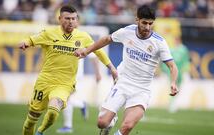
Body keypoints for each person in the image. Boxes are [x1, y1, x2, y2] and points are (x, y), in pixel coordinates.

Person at [74, 5, 179, 135]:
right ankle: (110, 122)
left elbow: (172, 66)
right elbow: (107, 39)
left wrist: (173, 82)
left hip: (141, 90)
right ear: (137, 20)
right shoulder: (127, 32)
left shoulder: (159, 42)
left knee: (127, 126)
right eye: (144, 22)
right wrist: (86, 50)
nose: (147, 27)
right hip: (122, 83)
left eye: (150, 23)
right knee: (102, 123)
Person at [19, 5, 117, 135]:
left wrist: (111, 68)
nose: (71, 21)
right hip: (45, 81)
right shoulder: (49, 33)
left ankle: (40, 131)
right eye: (67, 18)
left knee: (53, 111)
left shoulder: (83, 36)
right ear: (60, 19)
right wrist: (25, 43)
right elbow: (32, 39)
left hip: (65, 84)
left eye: (73, 18)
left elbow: (98, 51)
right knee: (31, 119)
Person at [56, 54, 101, 133]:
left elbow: (93, 56)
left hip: (75, 74)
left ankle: (68, 126)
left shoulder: (84, 41)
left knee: (65, 97)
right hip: (64, 73)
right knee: (63, 98)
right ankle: (82, 104)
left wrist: (97, 73)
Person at [161, 36, 190, 113]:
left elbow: (186, 60)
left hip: (180, 72)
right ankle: (172, 105)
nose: (175, 41)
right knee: (173, 87)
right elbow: (166, 61)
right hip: (172, 72)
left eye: (176, 40)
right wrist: (165, 70)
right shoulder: (171, 49)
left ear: (179, 40)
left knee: (178, 88)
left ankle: (173, 103)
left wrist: (186, 70)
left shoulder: (183, 49)